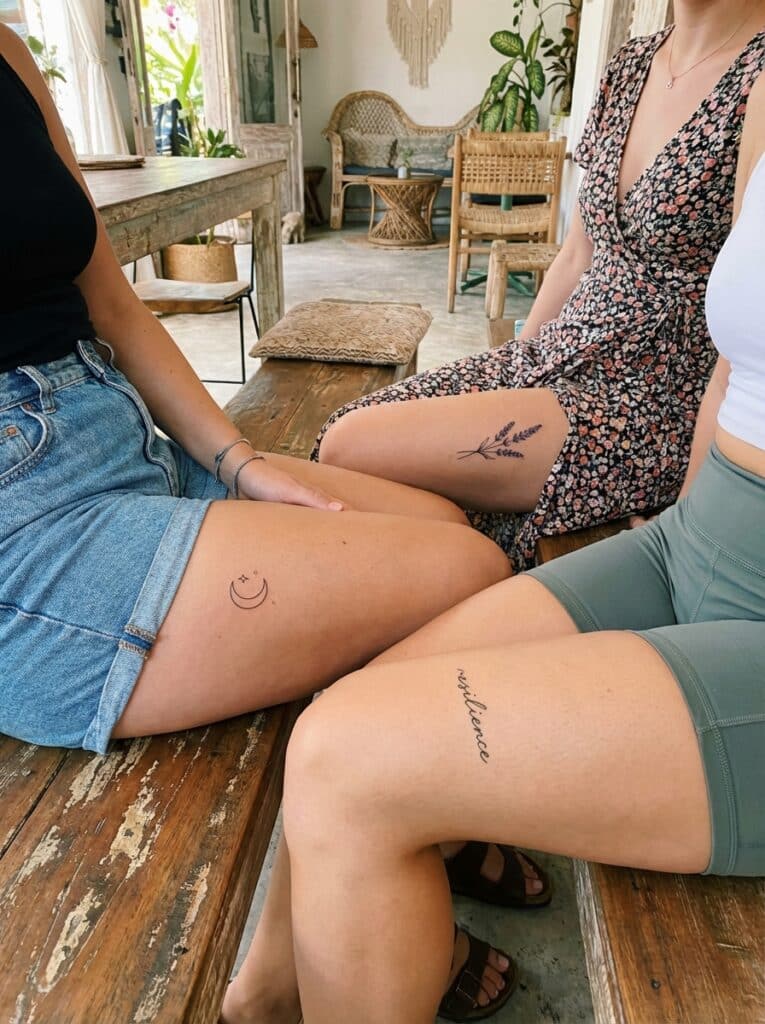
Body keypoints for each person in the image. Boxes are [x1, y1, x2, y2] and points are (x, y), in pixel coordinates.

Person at [280, 64, 765, 1022]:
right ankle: (263, 989)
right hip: (696, 531)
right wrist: (517, 368)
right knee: (344, 705)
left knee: (344, 759)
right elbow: (734, 360)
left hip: (643, 424)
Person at [0, 30, 510, 766]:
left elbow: (112, 306)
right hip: (33, 520)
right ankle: (371, 798)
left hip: (125, 437)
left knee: (447, 525)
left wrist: (239, 462)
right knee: (469, 572)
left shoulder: (9, 53)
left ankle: (372, 782)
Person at [314, 2, 765, 574]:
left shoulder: (757, 81)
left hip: (647, 399)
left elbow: (744, 336)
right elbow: (578, 251)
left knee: (354, 449)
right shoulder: (630, 66)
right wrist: (518, 360)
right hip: (559, 353)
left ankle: (469, 576)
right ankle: (469, 571)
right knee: (343, 438)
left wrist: (689, 514)